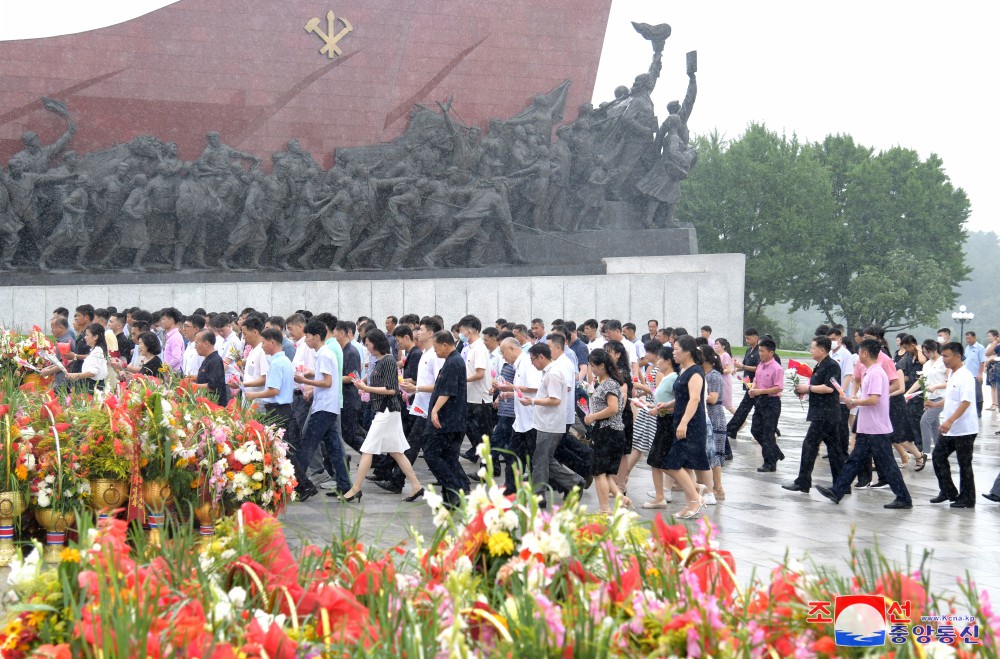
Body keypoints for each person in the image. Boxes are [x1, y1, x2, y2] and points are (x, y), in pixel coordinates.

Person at [816, 339, 912, 509]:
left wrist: (854, 401)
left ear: (865, 353)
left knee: (887, 464)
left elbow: (874, 399)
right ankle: (837, 491)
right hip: (869, 427)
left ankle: (904, 497)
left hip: (876, 428)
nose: (858, 355)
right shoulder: (871, 371)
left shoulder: (875, 373)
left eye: (860, 352)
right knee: (854, 460)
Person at [341, 329, 424, 502]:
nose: (367, 346)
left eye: (369, 343)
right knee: (396, 452)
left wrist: (366, 389)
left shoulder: (388, 361)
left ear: (376, 343)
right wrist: (363, 385)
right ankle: (416, 486)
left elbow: (391, 389)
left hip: (387, 411)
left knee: (367, 449)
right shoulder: (381, 361)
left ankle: (355, 488)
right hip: (386, 411)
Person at [293, 320, 350, 501]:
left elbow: (327, 382)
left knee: (307, 446)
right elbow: (324, 380)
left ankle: (300, 485)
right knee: (334, 449)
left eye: (308, 337)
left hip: (324, 408)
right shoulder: (323, 353)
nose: (306, 341)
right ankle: (345, 486)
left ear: (316, 337)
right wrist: (311, 385)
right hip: (327, 406)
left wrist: (305, 381)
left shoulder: (324, 354)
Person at [783, 336, 847, 494]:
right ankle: (842, 484)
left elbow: (829, 388)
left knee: (809, 445)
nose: (811, 351)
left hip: (826, 414)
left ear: (822, 350)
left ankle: (803, 482)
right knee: (834, 449)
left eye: (813, 348)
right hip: (822, 412)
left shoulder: (832, 365)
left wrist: (808, 388)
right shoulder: (820, 365)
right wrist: (804, 391)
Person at [520, 343, 575, 507]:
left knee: (540, 460)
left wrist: (533, 401)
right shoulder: (549, 372)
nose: (532, 363)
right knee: (545, 460)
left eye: (533, 360)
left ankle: (539, 494)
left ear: (541, 357)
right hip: (546, 423)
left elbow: (555, 399)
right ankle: (574, 482)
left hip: (550, 424)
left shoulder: (553, 373)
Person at [664, 335, 711, 519]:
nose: (673, 352)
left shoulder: (696, 372)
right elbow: (683, 398)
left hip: (691, 425)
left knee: (672, 464)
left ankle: (695, 497)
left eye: (676, 349)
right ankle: (691, 504)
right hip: (681, 421)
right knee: (685, 466)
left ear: (687, 351)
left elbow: (695, 399)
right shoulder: (685, 370)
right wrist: (667, 405)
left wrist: (683, 422)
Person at [930, 342, 980, 508]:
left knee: (964, 463)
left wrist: (950, 420)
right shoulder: (953, 373)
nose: (943, 359)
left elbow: (965, 402)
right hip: (951, 428)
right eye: (942, 355)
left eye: (946, 356)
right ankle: (948, 491)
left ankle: (968, 499)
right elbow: (952, 398)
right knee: (938, 456)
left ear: (958, 356)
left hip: (964, 429)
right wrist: (935, 405)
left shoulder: (965, 375)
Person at [426, 330, 470, 507]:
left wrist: (435, 410)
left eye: (436, 347)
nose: (435, 351)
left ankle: (455, 489)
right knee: (449, 459)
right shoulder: (452, 360)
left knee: (432, 454)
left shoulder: (453, 362)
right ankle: (453, 496)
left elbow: (447, 391)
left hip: (448, 421)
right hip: (452, 420)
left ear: (445, 344)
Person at [583, 348, 629, 513]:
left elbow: (613, 408)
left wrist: (593, 416)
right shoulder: (606, 383)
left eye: (593, 366)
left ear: (602, 365)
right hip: (610, 431)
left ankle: (604, 508)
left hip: (607, 431)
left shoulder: (609, 383)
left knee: (599, 473)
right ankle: (620, 498)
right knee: (606, 472)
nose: (591, 369)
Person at [643, 346, 679, 507]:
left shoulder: (674, 378)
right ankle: (659, 496)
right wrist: (650, 405)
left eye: (660, 360)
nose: (657, 363)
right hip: (662, 420)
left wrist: (660, 409)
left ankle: (694, 488)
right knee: (655, 460)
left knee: (661, 460)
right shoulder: (665, 377)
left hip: (668, 422)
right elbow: (662, 402)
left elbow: (679, 403)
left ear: (668, 361)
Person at [242, 328, 295, 430]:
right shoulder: (285, 360)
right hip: (284, 409)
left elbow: (274, 390)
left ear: (272, 342)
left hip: (277, 410)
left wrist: (254, 395)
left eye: (263, 343)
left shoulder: (276, 363)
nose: (262, 346)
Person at [458, 315, 492, 464]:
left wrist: (461, 379)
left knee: (484, 435)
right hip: (470, 397)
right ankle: (480, 455)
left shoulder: (479, 348)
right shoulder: (470, 348)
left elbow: (480, 373)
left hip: (480, 399)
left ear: (469, 331)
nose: (460, 334)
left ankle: (490, 467)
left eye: (461, 331)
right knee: (470, 429)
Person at [748, 337, 785, 472]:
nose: (760, 353)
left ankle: (769, 463)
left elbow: (778, 387)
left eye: (763, 351)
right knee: (755, 429)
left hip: (772, 402)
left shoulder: (777, 368)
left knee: (768, 433)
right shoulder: (760, 365)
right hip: (760, 400)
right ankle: (775, 453)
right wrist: (753, 389)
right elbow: (756, 379)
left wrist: (760, 391)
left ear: (771, 352)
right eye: (759, 350)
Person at [699, 345, 726, 504]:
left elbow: (713, 398)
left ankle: (718, 487)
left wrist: (697, 392)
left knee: (714, 454)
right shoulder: (703, 373)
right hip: (706, 415)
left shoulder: (714, 375)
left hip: (714, 416)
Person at [727, 328, 761, 438]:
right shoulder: (748, 350)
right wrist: (737, 369)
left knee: (747, 408)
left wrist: (743, 366)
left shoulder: (759, 351)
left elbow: (758, 368)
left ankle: (731, 429)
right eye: (746, 338)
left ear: (756, 337)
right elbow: (745, 365)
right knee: (748, 408)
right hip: (748, 384)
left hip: (757, 385)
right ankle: (731, 429)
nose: (747, 341)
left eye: (749, 338)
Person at [63, 324, 109, 393]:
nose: (85, 338)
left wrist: (77, 375)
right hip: (91, 385)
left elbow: (93, 372)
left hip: (93, 386)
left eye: (87, 335)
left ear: (95, 337)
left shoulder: (97, 351)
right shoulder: (95, 350)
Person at [193, 330, 229, 406]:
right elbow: (206, 376)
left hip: (214, 405)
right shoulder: (207, 358)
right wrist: (192, 378)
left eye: (196, 343)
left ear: (206, 343)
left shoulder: (215, 360)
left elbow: (213, 386)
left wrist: (192, 386)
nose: (195, 347)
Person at [963, 331, 986, 417]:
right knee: (968, 393)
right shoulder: (967, 348)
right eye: (966, 339)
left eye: (969, 338)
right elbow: (965, 359)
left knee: (978, 393)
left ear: (974, 337)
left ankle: (978, 411)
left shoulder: (980, 348)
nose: (968, 340)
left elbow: (982, 361)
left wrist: (980, 373)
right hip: (967, 375)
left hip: (976, 375)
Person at [714, 338, 735, 415]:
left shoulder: (725, 355)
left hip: (724, 381)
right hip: (717, 381)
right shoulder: (716, 355)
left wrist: (717, 371)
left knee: (728, 405)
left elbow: (728, 370)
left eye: (717, 344)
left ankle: (742, 420)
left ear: (723, 346)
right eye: (715, 344)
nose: (715, 346)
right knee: (717, 403)